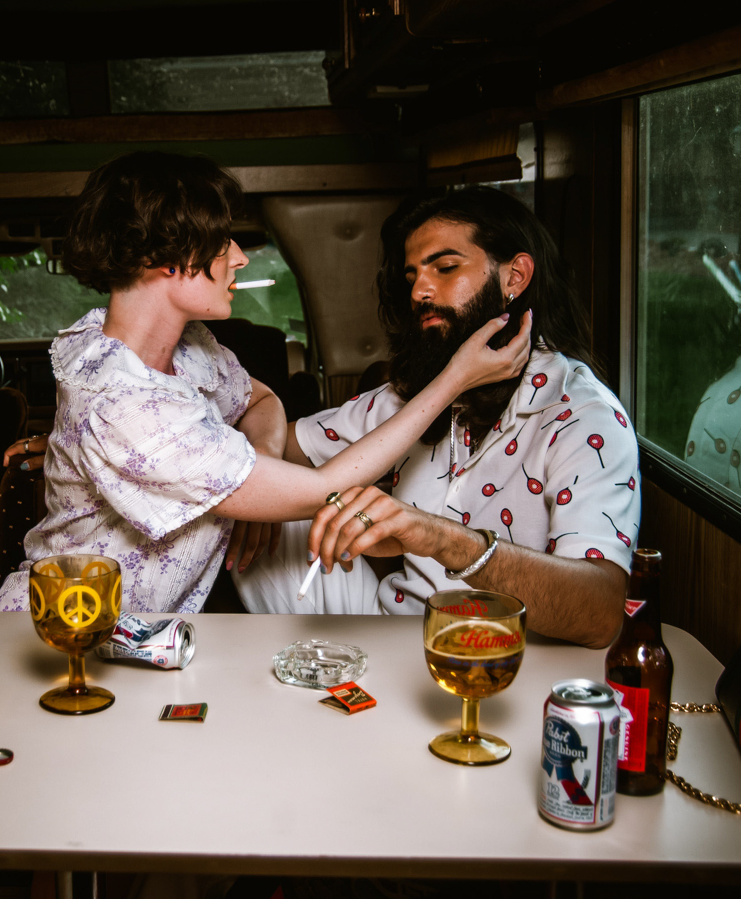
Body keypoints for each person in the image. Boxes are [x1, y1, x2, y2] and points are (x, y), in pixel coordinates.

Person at [0, 153, 533, 614]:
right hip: (67, 628)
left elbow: (263, 398)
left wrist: (257, 458)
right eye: (222, 242)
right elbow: (325, 491)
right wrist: (455, 377)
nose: (240, 257)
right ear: (164, 259)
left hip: (143, 636)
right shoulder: (125, 404)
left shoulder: (187, 350)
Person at [233, 186, 635, 649]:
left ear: (515, 276)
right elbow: (276, 445)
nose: (420, 291)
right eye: (412, 276)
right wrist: (258, 479)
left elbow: (601, 614)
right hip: (393, 623)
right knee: (241, 499)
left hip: (506, 649)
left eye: (445, 268)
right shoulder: (410, 398)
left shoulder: (582, 417)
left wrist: (438, 538)